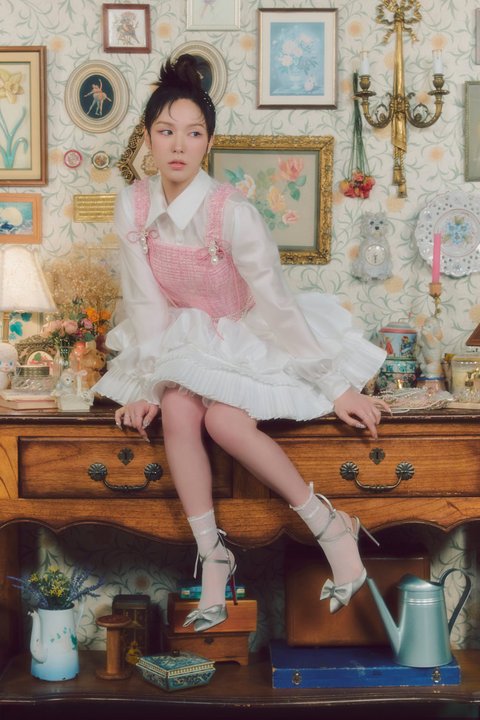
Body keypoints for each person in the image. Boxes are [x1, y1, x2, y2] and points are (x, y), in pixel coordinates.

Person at [93, 54, 389, 633]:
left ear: (209, 142)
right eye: (166, 131)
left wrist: (336, 387)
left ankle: (330, 527)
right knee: (178, 408)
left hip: (249, 329)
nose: (179, 145)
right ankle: (213, 555)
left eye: (193, 133)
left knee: (225, 421)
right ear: (147, 138)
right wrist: (146, 385)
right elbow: (145, 303)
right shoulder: (134, 204)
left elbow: (276, 303)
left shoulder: (233, 212)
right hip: (182, 334)